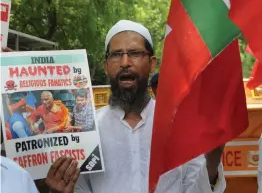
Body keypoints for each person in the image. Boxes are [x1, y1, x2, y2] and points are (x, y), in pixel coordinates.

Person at [45, 20, 226, 193]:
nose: (125, 62)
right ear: (106, 66)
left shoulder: (180, 125)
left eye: (135, 53)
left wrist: (212, 162)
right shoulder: (88, 130)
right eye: (116, 54)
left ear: (152, 63)